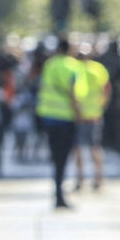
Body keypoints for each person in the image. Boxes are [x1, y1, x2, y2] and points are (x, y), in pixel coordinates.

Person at [35, 38, 86, 208]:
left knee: (56, 158)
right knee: (63, 159)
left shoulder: (50, 65)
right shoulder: (74, 66)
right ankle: (59, 194)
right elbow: (74, 93)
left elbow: (43, 86)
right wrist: (79, 113)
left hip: (49, 117)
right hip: (66, 118)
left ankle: (58, 191)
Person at [74, 46, 111, 192]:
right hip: (95, 114)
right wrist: (102, 107)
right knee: (94, 147)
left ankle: (80, 178)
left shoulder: (76, 69)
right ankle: (98, 178)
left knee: (78, 148)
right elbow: (107, 90)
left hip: (79, 115)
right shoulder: (98, 69)